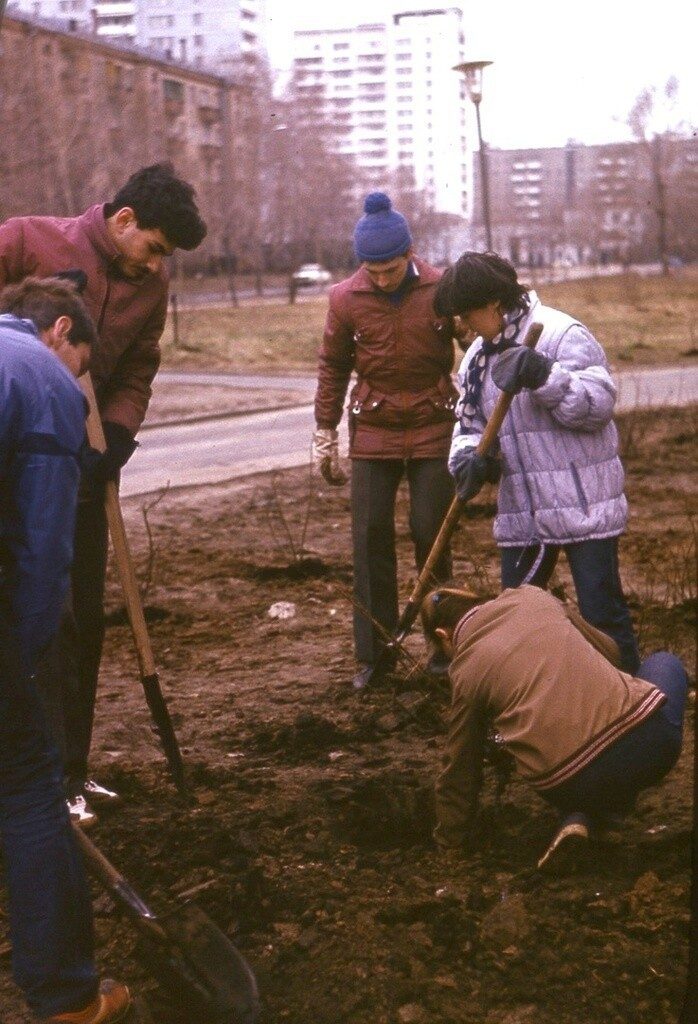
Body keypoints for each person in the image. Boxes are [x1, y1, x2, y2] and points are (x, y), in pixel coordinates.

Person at [0, 163, 207, 824]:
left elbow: (140, 366)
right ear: (123, 222)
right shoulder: (31, 241)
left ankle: (73, 773)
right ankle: (35, 776)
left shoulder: (153, 286)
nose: (155, 265)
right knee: (38, 620)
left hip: (85, 473)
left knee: (81, 622)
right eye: (152, 247)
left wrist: (116, 434)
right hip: (17, 467)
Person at [0, 277, 131, 1022]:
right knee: (27, 784)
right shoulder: (44, 378)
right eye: (84, 365)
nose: (79, 382)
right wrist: (21, 658)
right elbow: (45, 553)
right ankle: (67, 997)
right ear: (60, 332)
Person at [434, 250, 640, 673]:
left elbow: (597, 407)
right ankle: (535, 704)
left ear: (494, 303)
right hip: (523, 514)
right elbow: (468, 425)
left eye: (467, 314)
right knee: (519, 620)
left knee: (602, 614)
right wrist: (469, 460)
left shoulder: (562, 334)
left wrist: (544, 376)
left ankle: (633, 699)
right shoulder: (476, 359)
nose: (463, 325)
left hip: (584, 504)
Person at [422, 584, 687, 873]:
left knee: (565, 753)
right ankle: (599, 814)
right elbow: (611, 651)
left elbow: (461, 765)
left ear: (442, 635)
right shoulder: (532, 596)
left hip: (567, 785)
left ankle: (581, 815)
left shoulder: (466, 669)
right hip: (646, 747)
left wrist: (449, 843)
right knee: (664, 662)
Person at [313, 192, 459, 690]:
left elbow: (475, 346)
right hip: (373, 428)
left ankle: (444, 647)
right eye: (371, 271)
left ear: (410, 254)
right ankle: (374, 654)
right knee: (370, 537)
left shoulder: (443, 288)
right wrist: (324, 430)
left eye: (391, 269)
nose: (380, 279)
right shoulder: (345, 298)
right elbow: (332, 365)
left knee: (431, 535)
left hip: (434, 423)